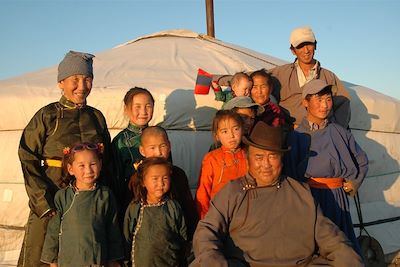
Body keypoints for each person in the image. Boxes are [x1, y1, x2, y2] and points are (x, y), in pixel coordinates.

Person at [190, 121, 364, 267]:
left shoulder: (301, 192)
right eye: (259, 157)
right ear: (248, 158)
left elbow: (330, 238)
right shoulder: (232, 191)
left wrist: (349, 258)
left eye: (272, 156)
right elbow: (207, 231)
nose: (265, 164)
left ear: (281, 159)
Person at [18, 51, 112, 267]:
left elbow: (108, 162)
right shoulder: (48, 115)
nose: (82, 85)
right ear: (61, 82)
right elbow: (26, 155)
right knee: (39, 257)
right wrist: (42, 202)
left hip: (88, 203)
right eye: (75, 79)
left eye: (87, 79)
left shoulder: (96, 116)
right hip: (51, 197)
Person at [288, 79, 368, 256]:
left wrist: (355, 182)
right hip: (310, 199)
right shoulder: (296, 136)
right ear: (305, 103)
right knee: (313, 249)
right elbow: (289, 172)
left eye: (328, 99)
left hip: (338, 198)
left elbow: (361, 159)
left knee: (343, 248)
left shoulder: (340, 132)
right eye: (319, 99)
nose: (325, 105)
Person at [40, 143, 124, 267]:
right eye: (81, 166)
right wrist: (53, 262)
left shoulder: (105, 195)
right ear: (70, 169)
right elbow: (53, 232)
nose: (88, 170)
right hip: (70, 260)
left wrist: (113, 260)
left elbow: (112, 229)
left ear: (100, 164)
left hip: (96, 259)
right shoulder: (62, 197)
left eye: (93, 164)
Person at [269, 26, 351, 128]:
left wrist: (334, 130)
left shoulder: (329, 76)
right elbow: (254, 81)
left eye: (309, 44)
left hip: (322, 133)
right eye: (300, 46)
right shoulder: (280, 73)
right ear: (293, 50)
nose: (306, 50)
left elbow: (344, 104)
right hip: (289, 133)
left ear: (315, 45)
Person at [124, 157, 188, 267]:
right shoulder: (136, 208)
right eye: (155, 179)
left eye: (165, 178)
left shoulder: (173, 206)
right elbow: (127, 237)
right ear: (143, 181)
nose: (161, 183)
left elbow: (182, 236)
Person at [137, 126, 198, 240]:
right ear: (142, 150)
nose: (158, 153)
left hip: (175, 234)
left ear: (169, 146)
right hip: (146, 237)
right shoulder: (137, 178)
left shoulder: (178, 175)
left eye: (162, 146)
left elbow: (188, 208)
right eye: (152, 148)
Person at [112, 87, 155, 220]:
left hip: (158, 198)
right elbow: (115, 178)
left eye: (148, 106)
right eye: (137, 106)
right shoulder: (120, 141)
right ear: (126, 109)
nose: (143, 111)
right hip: (130, 201)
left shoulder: (158, 135)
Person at [196, 110, 247, 219]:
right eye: (225, 131)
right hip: (218, 215)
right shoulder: (211, 158)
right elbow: (203, 191)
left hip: (245, 214)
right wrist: (205, 219)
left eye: (236, 129)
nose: (232, 135)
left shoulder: (249, 156)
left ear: (243, 130)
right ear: (217, 135)